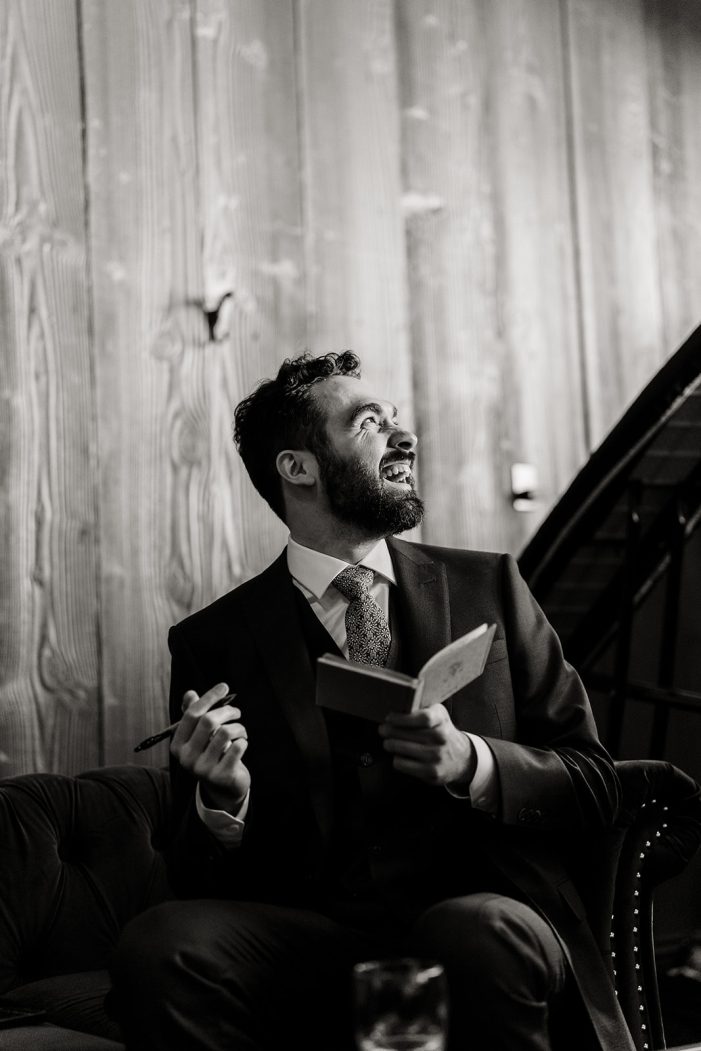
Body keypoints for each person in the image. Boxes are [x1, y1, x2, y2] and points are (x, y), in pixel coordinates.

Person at [110, 351, 635, 1051]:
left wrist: (472, 761)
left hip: (482, 914)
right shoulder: (214, 639)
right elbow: (189, 869)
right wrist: (222, 801)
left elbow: (596, 783)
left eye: (396, 419)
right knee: (163, 942)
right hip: (319, 933)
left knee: (473, 930)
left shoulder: (492, 586)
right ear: (298, 467)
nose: (403, 435)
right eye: (368, 423)